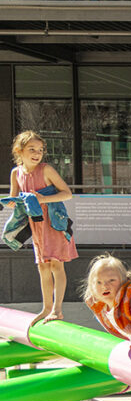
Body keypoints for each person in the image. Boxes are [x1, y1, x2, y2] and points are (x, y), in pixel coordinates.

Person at [7, 131, 78, 325]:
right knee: (43, 267)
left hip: (54, 223)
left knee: (56, 264)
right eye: (32, 149)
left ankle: (57, 310)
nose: (37, 153)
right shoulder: (16, 172)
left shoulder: (46, 170)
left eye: (40, 150)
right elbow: (14, 199)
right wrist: (10, 202)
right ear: (19, 151)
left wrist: (42, 199)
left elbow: (67, 194)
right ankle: (46, 308)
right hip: (36, 224)